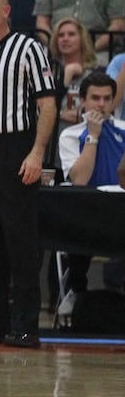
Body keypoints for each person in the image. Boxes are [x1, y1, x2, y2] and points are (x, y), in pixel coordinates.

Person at [0, 0, 57, 348]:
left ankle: (25, 324)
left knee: (19, 242)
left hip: (16, 147)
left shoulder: (29, 49)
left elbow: (47, 106)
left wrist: (36, 153)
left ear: (6, 11)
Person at [57, 71, 125, 321]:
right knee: (75, 227)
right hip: (87, 215)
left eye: (107, 98)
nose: (101, 104)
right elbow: (80, 179)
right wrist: (93, 136)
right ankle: (77, 293)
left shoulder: (124, 131)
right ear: (83, 100)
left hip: (120, 210)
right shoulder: (70, 136)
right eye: (95, 98)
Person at [47, 17, 93, 127]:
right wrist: (65, 78)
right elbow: (40, 108)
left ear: (82, 39)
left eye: (71, 34)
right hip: (55, 136)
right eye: (61, 35)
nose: (65, 39)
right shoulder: (48, 70)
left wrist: (81, 116)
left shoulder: (95, 72)